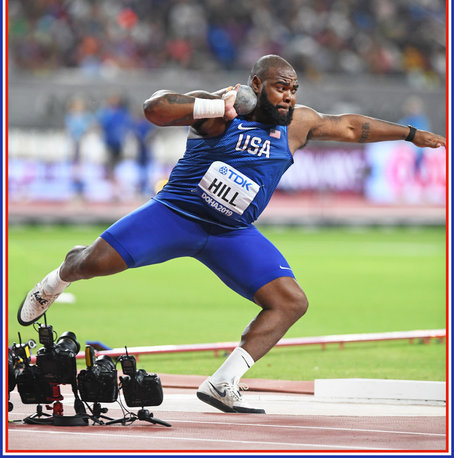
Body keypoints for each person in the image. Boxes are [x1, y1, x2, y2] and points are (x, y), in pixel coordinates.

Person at [17, 55, 446, 414]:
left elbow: (351, 127)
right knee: (89, 264)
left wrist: (410, 134)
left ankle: (223, 382)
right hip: (176, 214)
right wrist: (211, 107)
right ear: (256, 85)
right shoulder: (222, 114)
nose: (289, 96)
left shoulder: (297, 125)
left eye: (294, 88)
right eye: (281, 87)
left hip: (231, 232)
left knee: (291, 302)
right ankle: (54, 282)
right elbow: (155, 109)